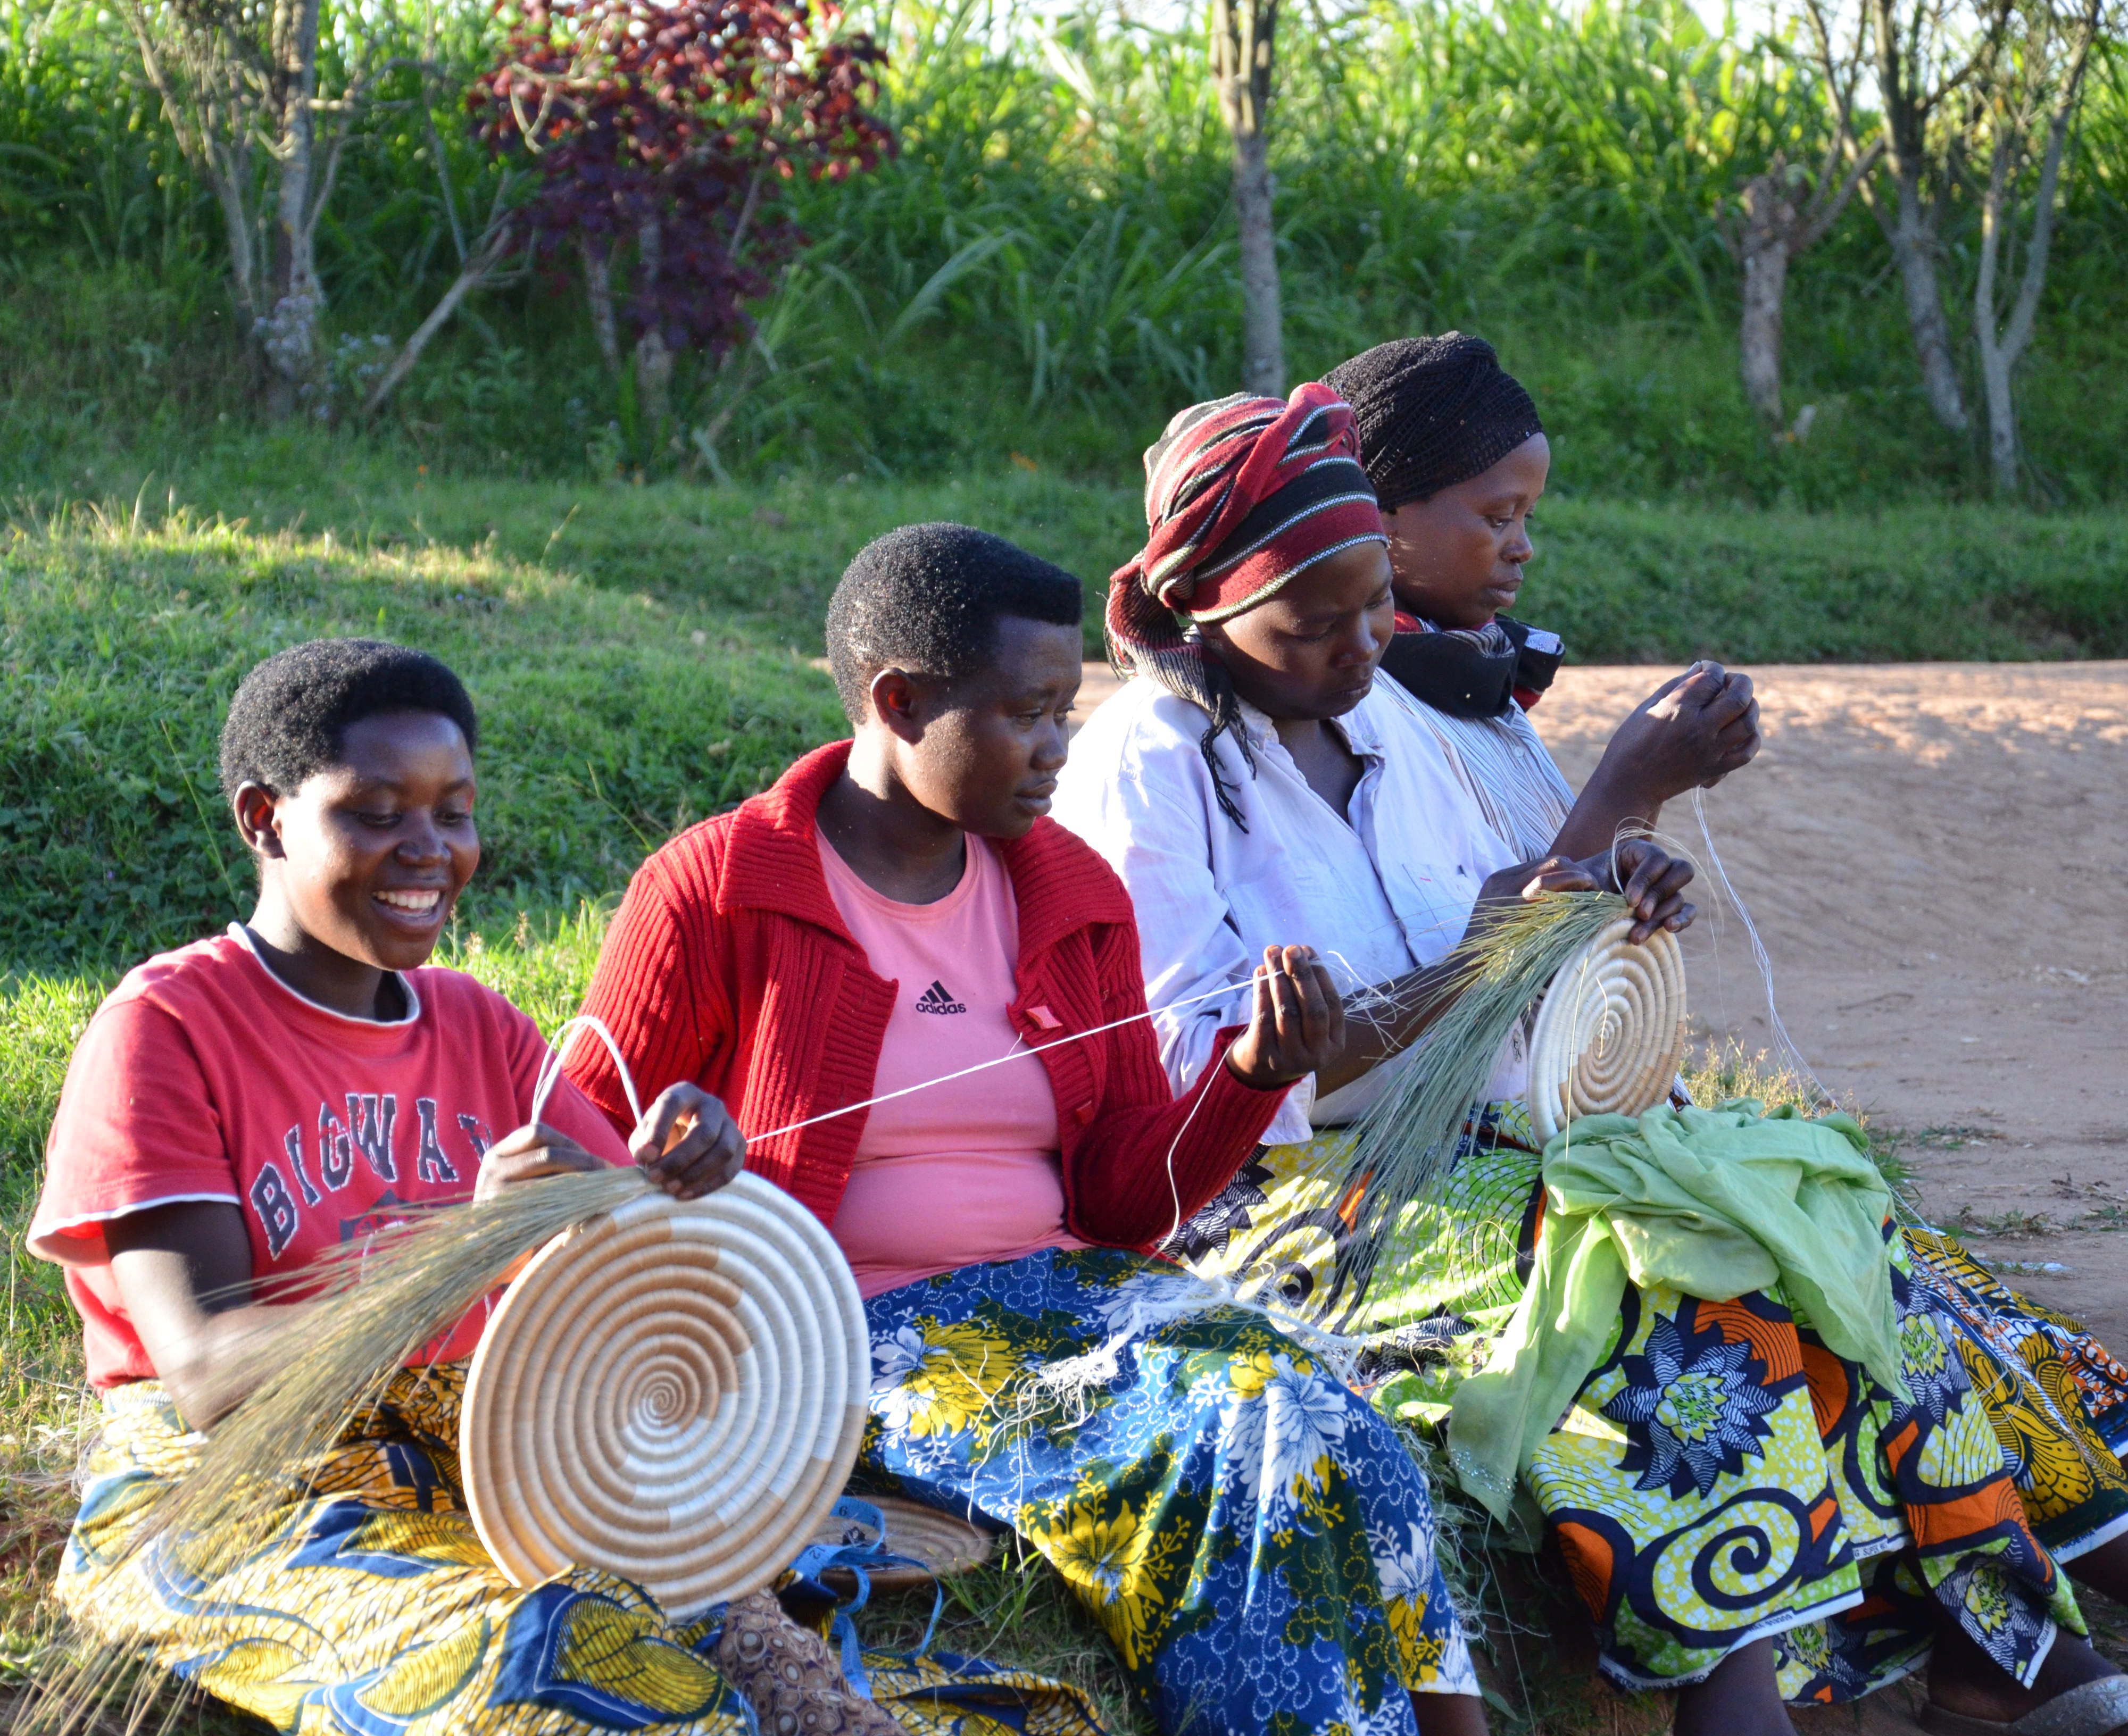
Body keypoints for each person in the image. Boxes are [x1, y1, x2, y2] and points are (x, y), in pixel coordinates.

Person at [1052, 385, 2128, 1736]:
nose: (1361, 646)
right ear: (1200, 604)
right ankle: (1733, 1701)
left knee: (1814, 1212)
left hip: (1474, 1143)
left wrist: (1594, 886)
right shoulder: (1147, 761)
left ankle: (2000, 1644)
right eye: (1312, 624)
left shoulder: (1381, 717)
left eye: (1375, 606)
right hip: (1283, 1198)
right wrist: (1485, 950)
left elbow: (1493, 913)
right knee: (1635, 1256)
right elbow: (1206, 1078)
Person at [568, 521, 1497, 1736]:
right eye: (1029, 715)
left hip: (1076, 1299)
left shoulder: (1069, 892)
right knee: (1239, 1447)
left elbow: (1121, 1199)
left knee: (1343, 1433)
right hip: (844, 1346)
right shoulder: (725, 888)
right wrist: (664, 1158)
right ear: (900, 702)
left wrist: (1252, 1072)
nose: (1061, 748)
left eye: (1068, 708)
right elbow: (571, 1135)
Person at [26, 639, 887, 1736]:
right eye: (377, 813)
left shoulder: (480, 1027)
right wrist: (457, 1249)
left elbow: (625, 1251)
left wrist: (685, 1170)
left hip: (487, 1468)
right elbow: (206, 1373)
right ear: (265, 817)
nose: (426, 850)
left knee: (768, 1663)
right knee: (553, 1662)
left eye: (454, 812)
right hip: (245, 1493)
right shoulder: (169, 1029)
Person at [1319, 331, 1759, 862]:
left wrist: (1633, 859)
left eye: (1527, 518)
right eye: (1499, 519)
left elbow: (1539, 888)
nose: (1522, 548)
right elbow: (1486, 940)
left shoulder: (1466, 675)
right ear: (1378, 519)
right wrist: (1633, 783)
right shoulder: (1351, 708)